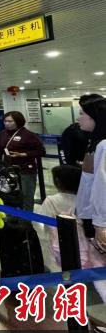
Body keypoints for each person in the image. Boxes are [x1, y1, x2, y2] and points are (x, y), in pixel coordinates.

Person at [36, 165, 106, 301]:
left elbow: (41, 220)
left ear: (58, 182)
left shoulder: (51, 200)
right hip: (88, 246)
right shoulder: (86, 200)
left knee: (65, 272)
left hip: (61, 245)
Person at [0, 111, 46, 211]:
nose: (7, 123)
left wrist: (23, 154)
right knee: (8, 195)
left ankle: (26, 218)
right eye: (5, 121)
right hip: (8, 170)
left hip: (25, 170)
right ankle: (11, 218)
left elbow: (41, 151)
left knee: (26, 196)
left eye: (10, 121)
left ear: (18, 121)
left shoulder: (28, 135)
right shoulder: (2, 134)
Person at [77, 98, 106, 245]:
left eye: (82, 113)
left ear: (95, 117)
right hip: (90, 215)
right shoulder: (95, 142)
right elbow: (88, 183)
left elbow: (103, 185)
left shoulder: (104, 145)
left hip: (98, 220)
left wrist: (101, 223)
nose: (78, 118)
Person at [61, 94, 103, 166]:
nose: (78, 118)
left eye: (81, 113)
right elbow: (68, 159)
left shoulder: (102, 142)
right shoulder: (72, 132)